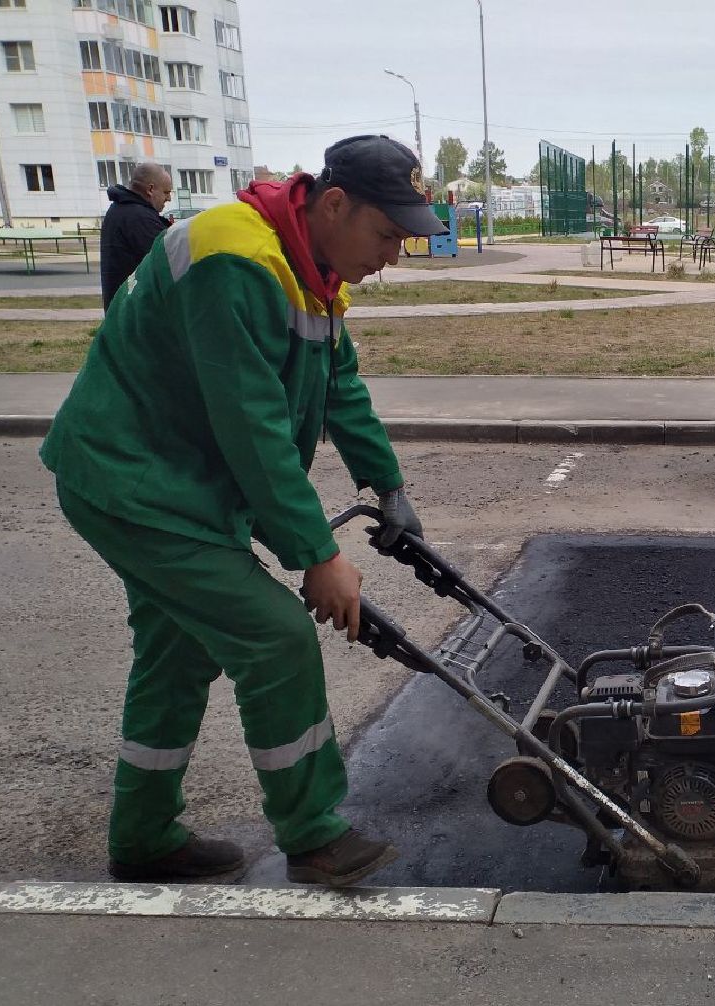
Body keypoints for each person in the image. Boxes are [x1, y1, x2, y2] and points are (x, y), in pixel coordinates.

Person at [40, 135, 446, 887]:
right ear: (334, 205)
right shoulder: (234, 258)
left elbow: (340, 386)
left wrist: (387, 485)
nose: (392, 256)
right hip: (135, 482)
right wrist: (317, 556)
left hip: (181, 483)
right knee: (276, 638)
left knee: (177, 654)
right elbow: (251, 425)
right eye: (387, 234)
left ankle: (143, 837)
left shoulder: (311, 270)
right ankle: (313, 834)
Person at [99, 163, 173, 309]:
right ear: (150, 189)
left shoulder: (120, 209)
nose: (169, 198)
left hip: (123, 307)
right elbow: (168, 262)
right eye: (166, 192)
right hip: (136, 310)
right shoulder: (139, 218)